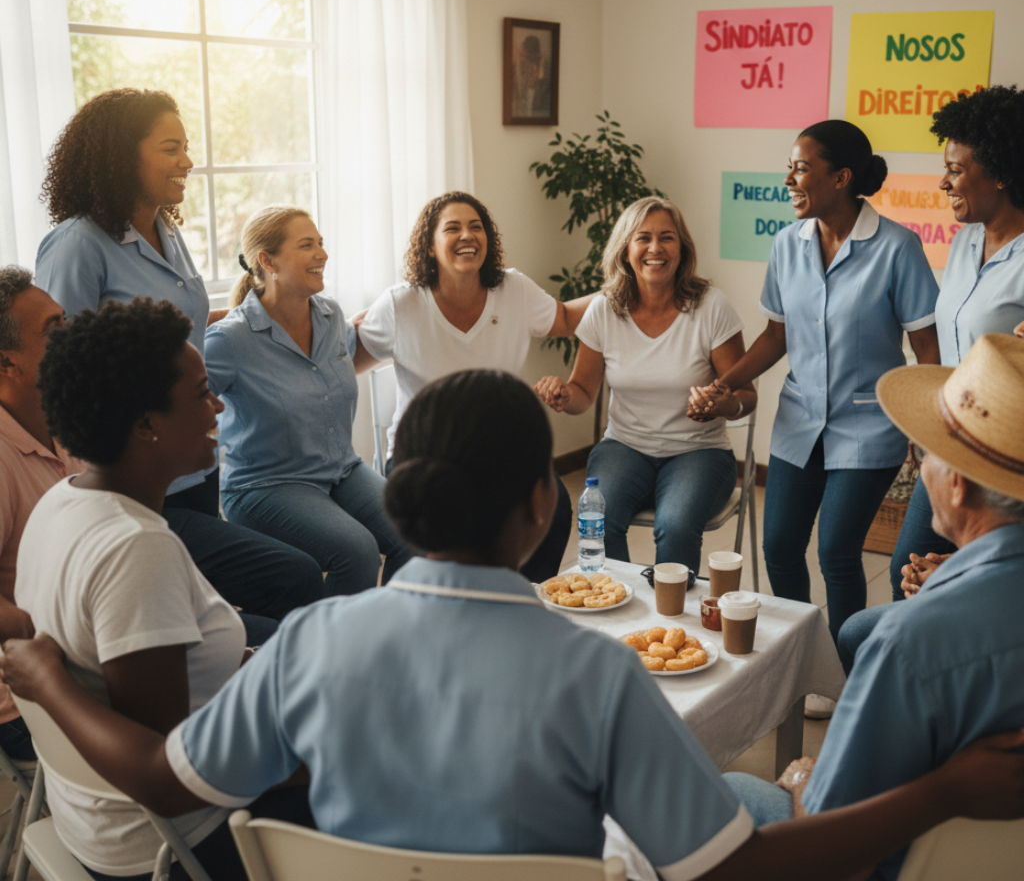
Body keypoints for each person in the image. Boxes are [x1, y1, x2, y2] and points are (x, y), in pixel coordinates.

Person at [6, 369, 1024, 881]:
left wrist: (51, 682)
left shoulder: (312, 642)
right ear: (544, 504)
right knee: (748, 794)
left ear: (393, 498)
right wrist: (942, 789)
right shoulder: (597, 677)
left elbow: (166, 779)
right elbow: (731, 871)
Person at [13, 297, 312, 880]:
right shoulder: (134, 547)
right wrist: (316, 753)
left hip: (99, 825)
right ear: (146, 424)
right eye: (201, 392)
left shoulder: (65, 499)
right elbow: (168, 778)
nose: (218, 405)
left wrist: (261, 665)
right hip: (177, 845)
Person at [723, 331, 1024, 881]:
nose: (915, 465)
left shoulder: (910, 644)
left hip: (895, 864)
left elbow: (827, 831)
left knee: (725, 791)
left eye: (922, 450)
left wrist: (803, 782)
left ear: (956, 485)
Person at [34, 88, 323, 634]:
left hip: (189, 461)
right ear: (124, 155)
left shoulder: (166, 230)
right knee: (279, 581)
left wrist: (275, 320)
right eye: (171, 148)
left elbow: (183, 322)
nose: (187, 161)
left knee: (193, 606)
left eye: (185, 147)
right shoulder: (77, 245)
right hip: (127, 469)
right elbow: (56, 369)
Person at [690, 122, 940, 678]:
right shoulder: (788, 244)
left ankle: (848, 675)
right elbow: (776, 336)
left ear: (841, 177)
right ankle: (804, 662)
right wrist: (724, 383)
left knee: (835, 553)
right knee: (778, 547)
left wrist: (931, 433)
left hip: (869, 427)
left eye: (800, 169)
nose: (789, 179)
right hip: (801, 422)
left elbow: (928, 348)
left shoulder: (898, 247)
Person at [356, 191, 591, 581]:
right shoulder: (400, 304)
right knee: (448, 520)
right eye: (452, 228)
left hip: (499, 450)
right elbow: (344, 363)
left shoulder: (513, 290)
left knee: (557, 507)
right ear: (429, 247)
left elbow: (565, 320)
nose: (467, 235)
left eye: (475, 227)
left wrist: (627, 290)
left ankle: (522, 597)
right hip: (422, 453)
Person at [535, 197, 756, 569]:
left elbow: (745, 395)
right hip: (625, 446)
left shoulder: (711, 307)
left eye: (667, 238)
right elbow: (583, 393)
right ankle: (619, 608)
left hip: (698, 451)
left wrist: (725, 405)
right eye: (643, 238)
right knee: (598, 521)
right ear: (625, 250)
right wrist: (562, 395)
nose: (655, 248)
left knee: (676, 525)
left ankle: (672, 620)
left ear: (682, 249)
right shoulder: (604, 310)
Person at [207, 206, 408, 595]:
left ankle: (390, 631)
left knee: (416, 531)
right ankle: (331, 652)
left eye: (320, 243)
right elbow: (182, 403)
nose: (322, 254)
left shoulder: (331, 316)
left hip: (340, 470)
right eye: (307, 245)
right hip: (266, 484)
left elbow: (347, 359)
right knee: (359, 551)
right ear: (267, 261)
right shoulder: (230, 340)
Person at [884, 84, 1024, 600]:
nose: (943, 182)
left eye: (956, 169)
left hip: (1007, 451)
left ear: (1002, 173)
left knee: (975, 583)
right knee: (909, 564)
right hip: (951, 436)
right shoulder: (965, 238)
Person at [0, 266, 74, 761]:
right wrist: (52, 628)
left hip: (86, 657)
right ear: (8, 365)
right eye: (54, 330)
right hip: (30, 700)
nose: (72, 337)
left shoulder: (66, 421)